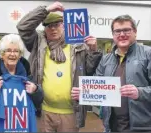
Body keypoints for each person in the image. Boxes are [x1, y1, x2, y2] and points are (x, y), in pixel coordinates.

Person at [16, 1, 102, 132]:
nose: (53, 29)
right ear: (44, 28)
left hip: (71, 113)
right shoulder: (37, 43)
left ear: (65, 26)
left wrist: (93, 50)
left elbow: (89, 71)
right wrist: (46, 10)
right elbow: (22, 26)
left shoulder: (79, 46)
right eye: (48, 26)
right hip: (43, 112)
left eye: (57, 25)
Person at [72, 14, 151, 132]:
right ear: (113, 35)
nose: (122, 34)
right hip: (111, 126)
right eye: (117, 31)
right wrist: (83, 94)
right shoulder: (106, 59)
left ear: (135, 32)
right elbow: (97, 86)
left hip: (142, 128)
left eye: (126, 30)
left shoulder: (148, 54)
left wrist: (139, 92)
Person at [0, 34, 44, 132]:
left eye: (16, 51)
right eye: (8, 50)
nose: (12, 54)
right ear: (1, 55)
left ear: (20, 55)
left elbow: (39, 101)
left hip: (20, 128)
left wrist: (35, 90)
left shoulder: (27, 76)